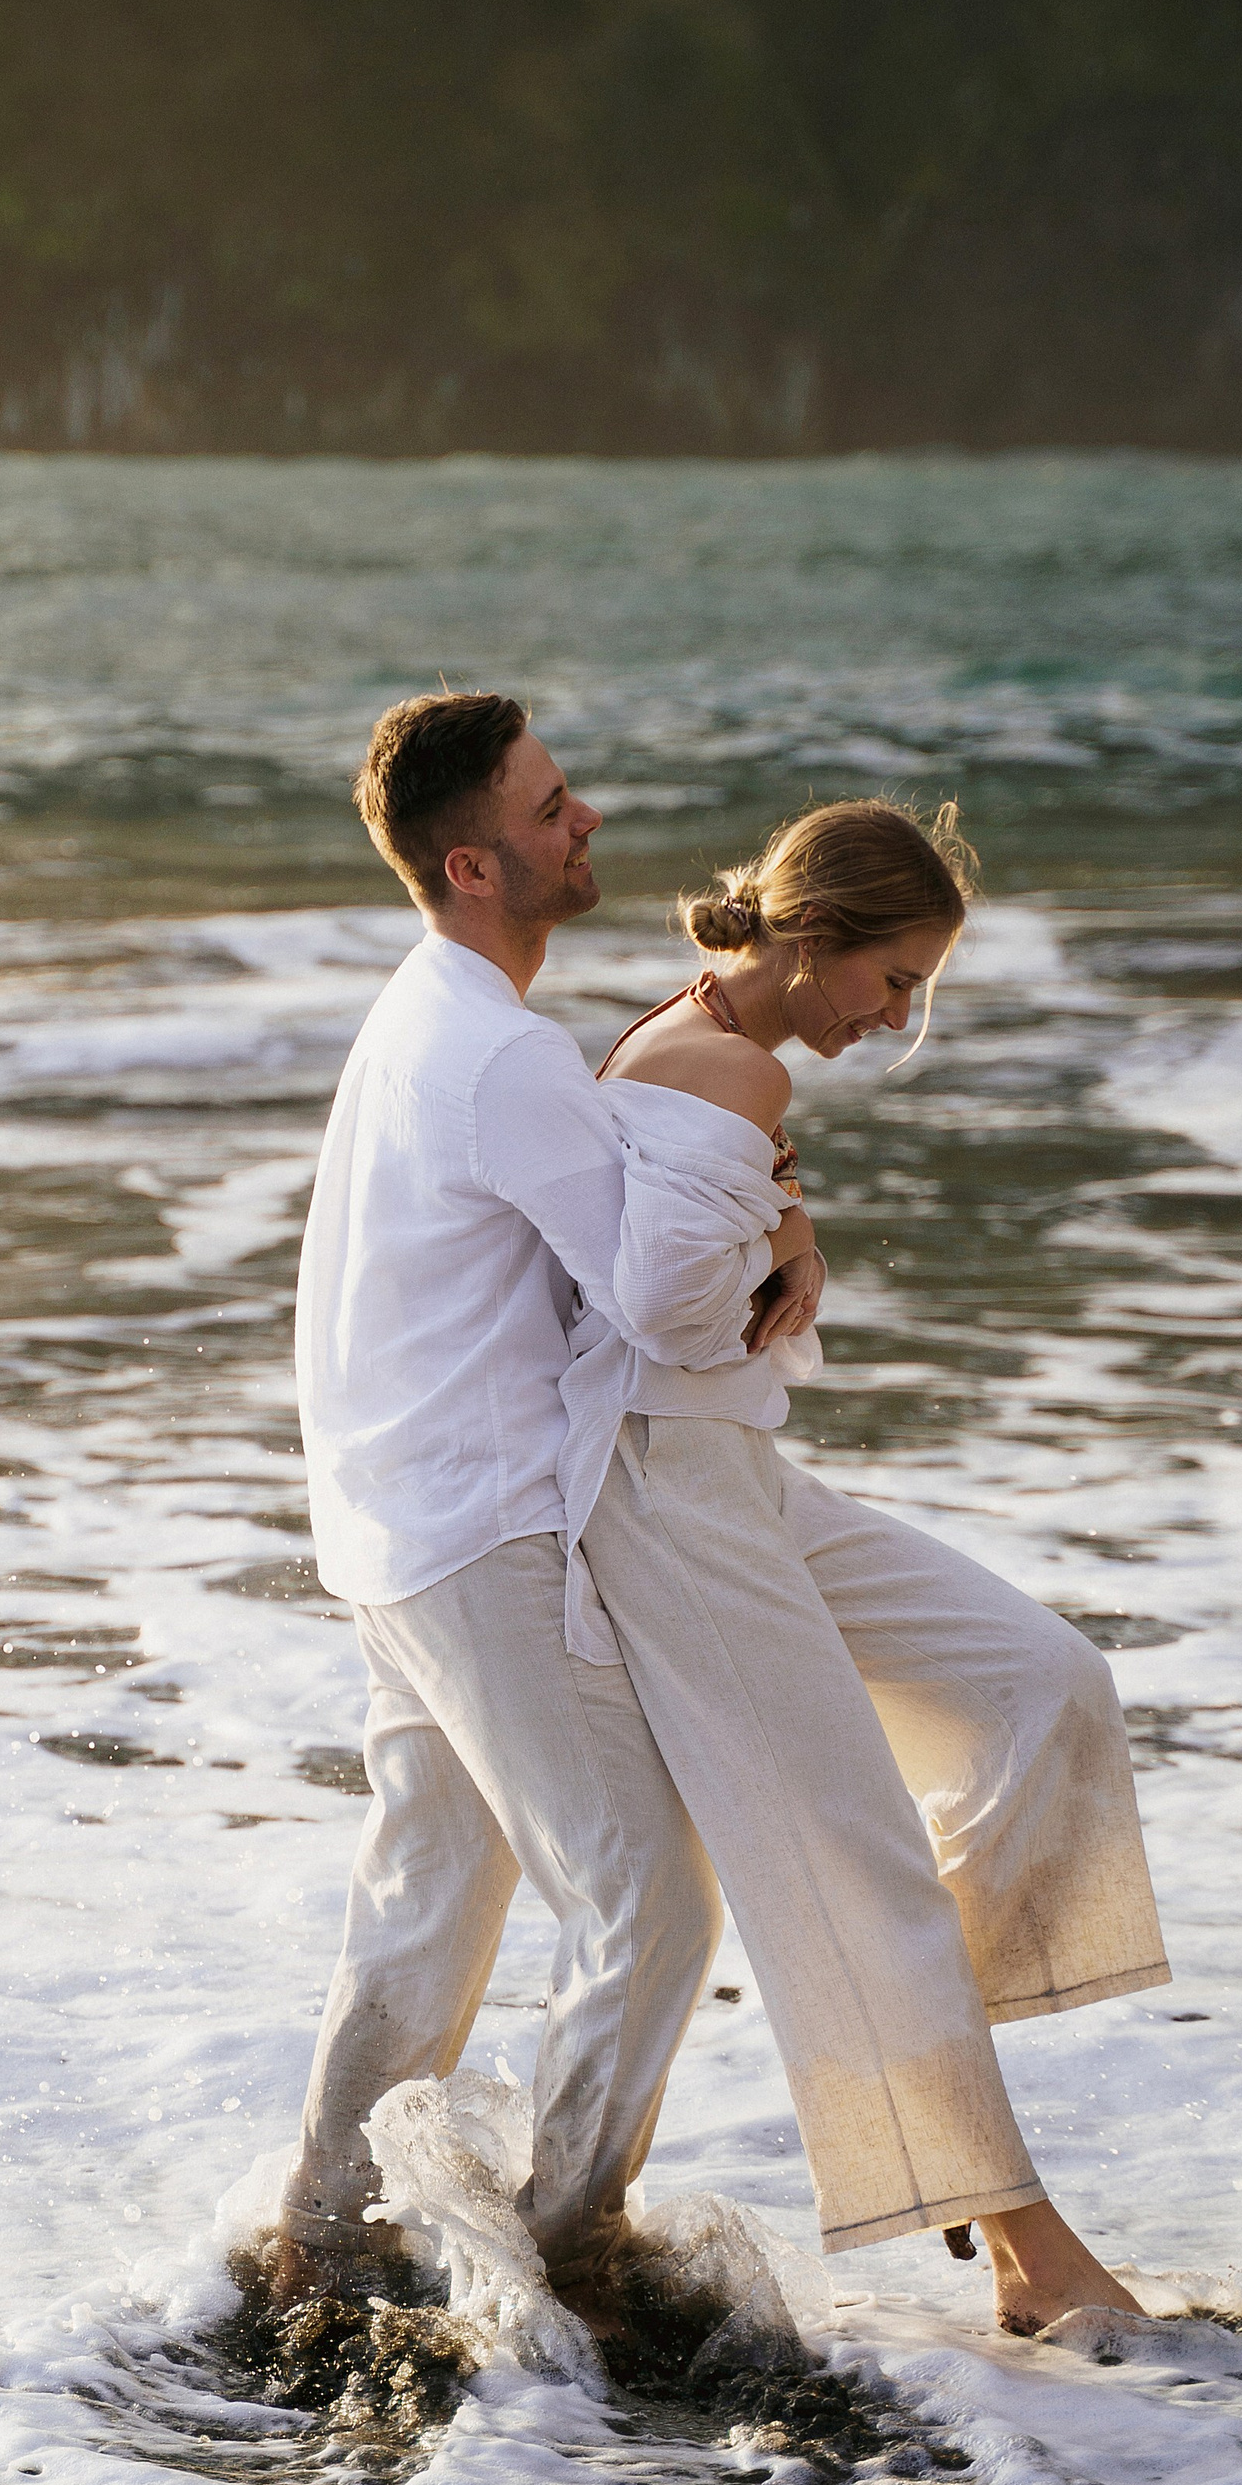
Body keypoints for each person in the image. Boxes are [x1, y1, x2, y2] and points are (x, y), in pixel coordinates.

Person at [569, 798, 1169, 2327]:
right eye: (894, 980)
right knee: (867, 1869)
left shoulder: (704, 1039)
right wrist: (779, 1239)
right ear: (815, 941)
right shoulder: (726, 1062)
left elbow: (706, 1270)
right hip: (662, 1498)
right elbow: (657, 1313)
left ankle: (915, 2027)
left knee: (1043, 1682)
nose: (902, 1016)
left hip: (736, 1470)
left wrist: (789, 1230)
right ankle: (1032, 2256)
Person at [276, 689, 788, 2325]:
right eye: (553, 807)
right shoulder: (501, 1052)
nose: (588, 824)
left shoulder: (424, 1009)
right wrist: (783, 1236)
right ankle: (564, 2253)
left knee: (430, 1904)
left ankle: (321, 2235)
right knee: (650, 1899)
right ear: (473, 862)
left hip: (384, 1520)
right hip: (474, 1532)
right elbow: (654, 1304)